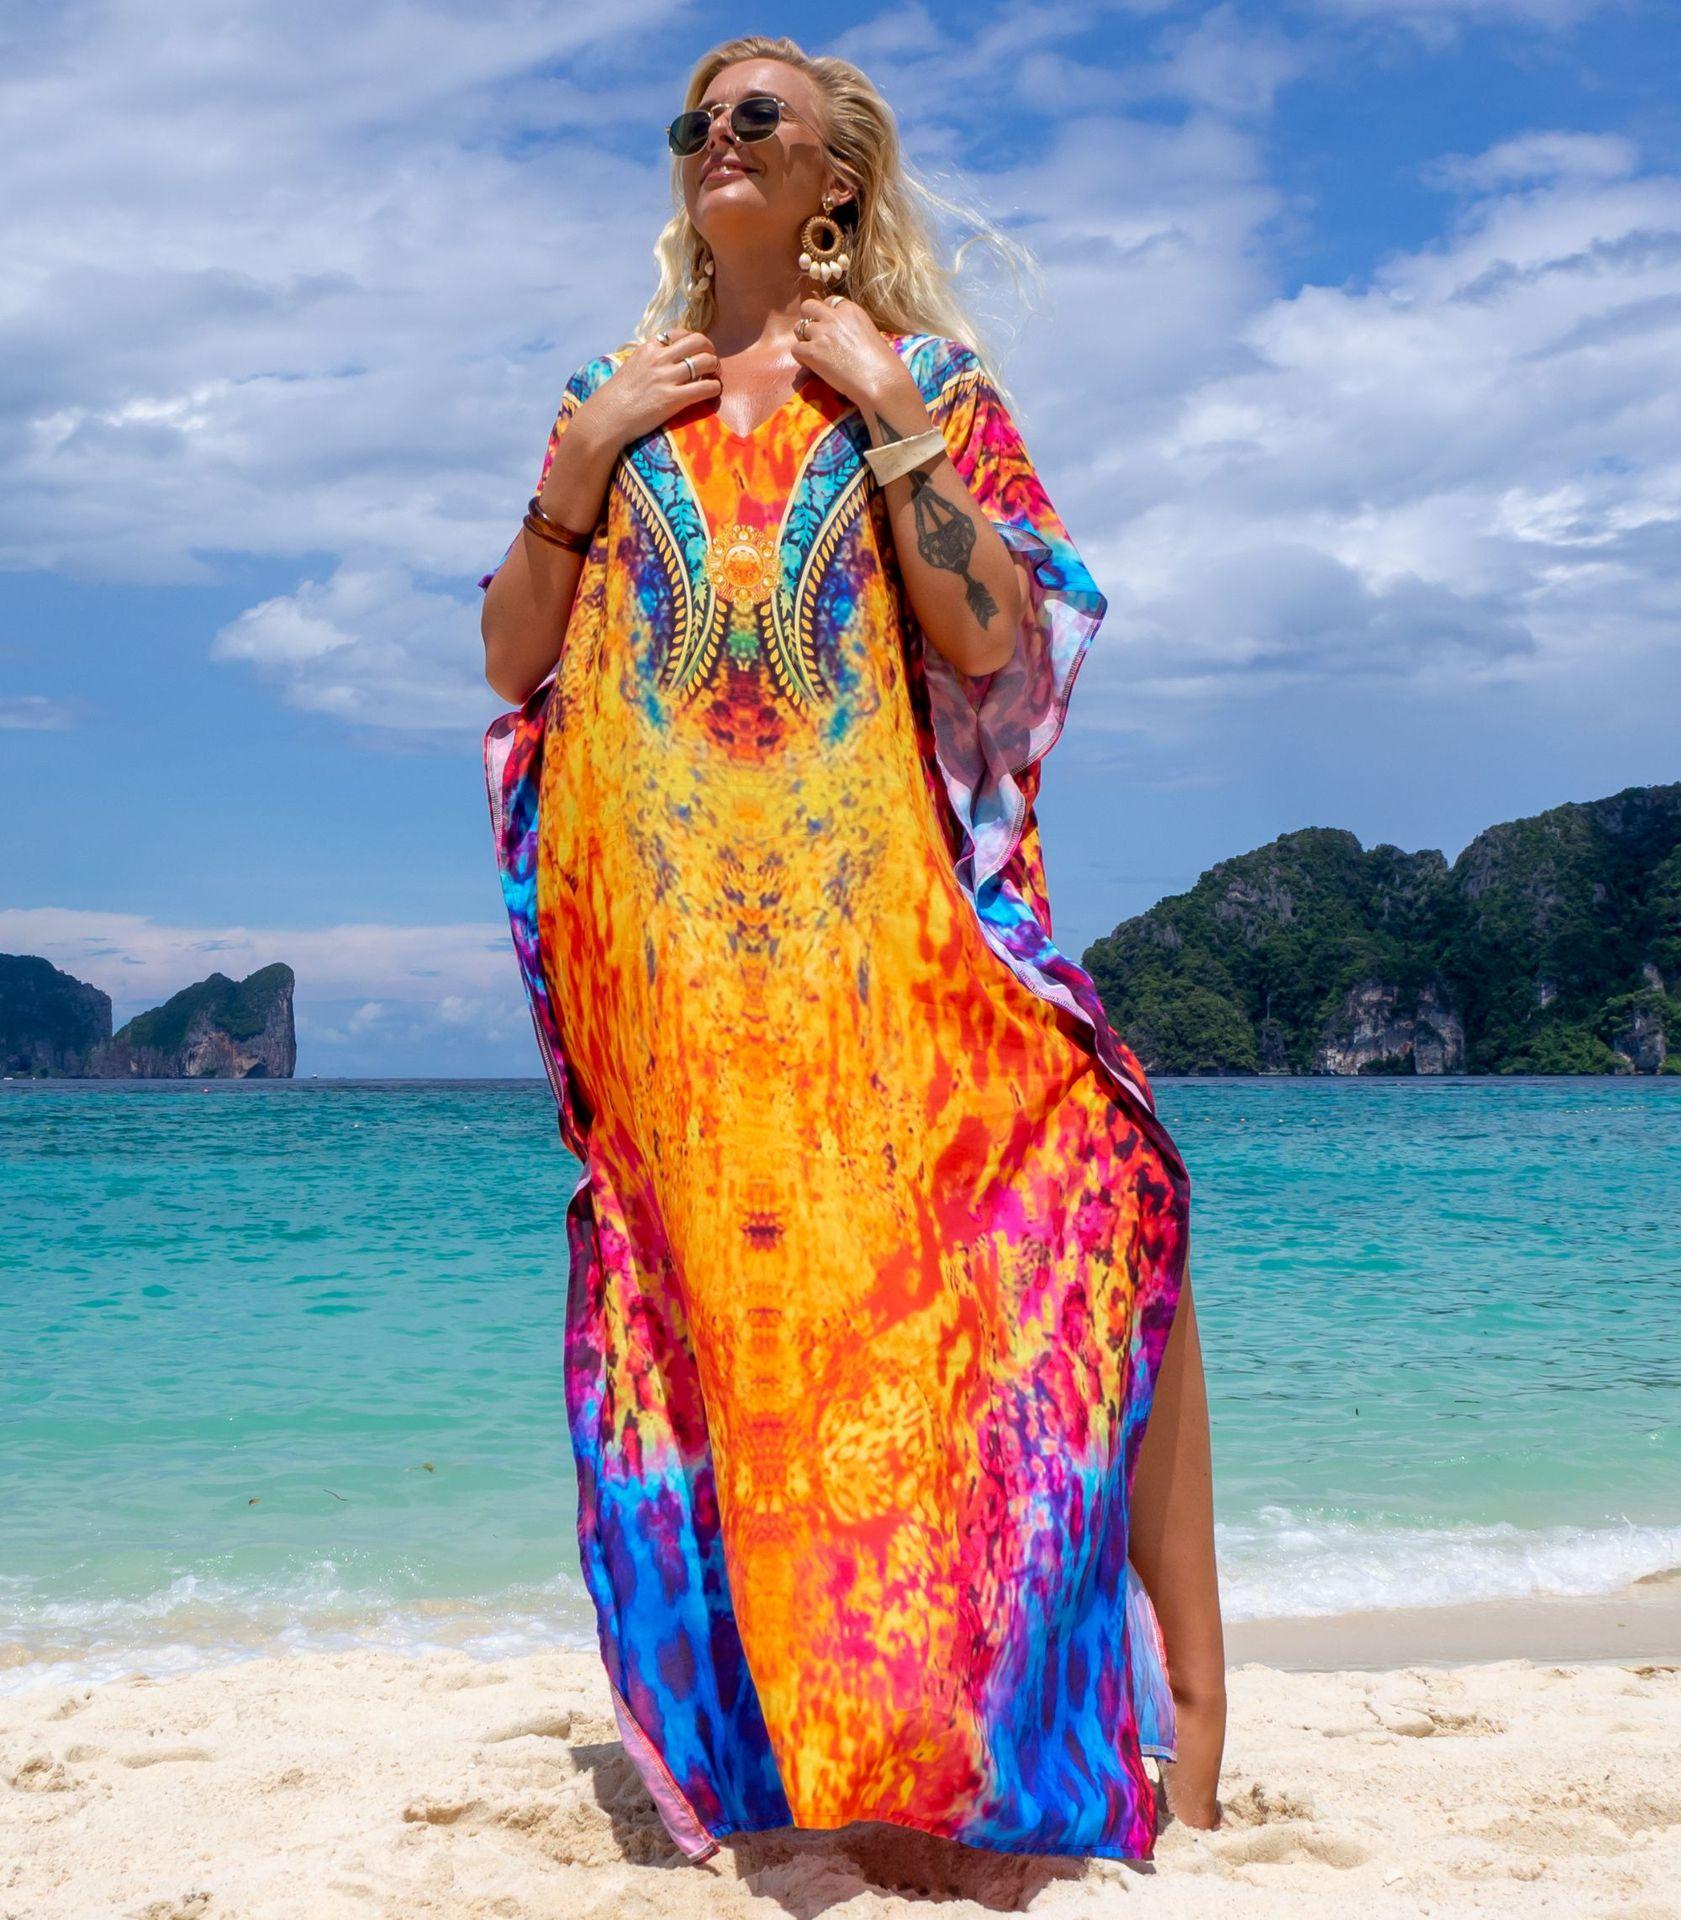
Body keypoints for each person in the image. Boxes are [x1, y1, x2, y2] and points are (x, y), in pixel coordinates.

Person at [479, 33, 1226, 1867]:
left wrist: (893, 416)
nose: (716, 141)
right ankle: (789, 1747)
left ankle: (1187, 1720)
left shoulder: (929, 382)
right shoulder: (607, 396)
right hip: (682, 985)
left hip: (882, 954)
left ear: (834, 182)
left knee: (1103, 1199)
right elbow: (512, 662)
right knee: (722, 1341)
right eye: (696, 122)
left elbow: (985, 640)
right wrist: (585, 454)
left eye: (760, 120)